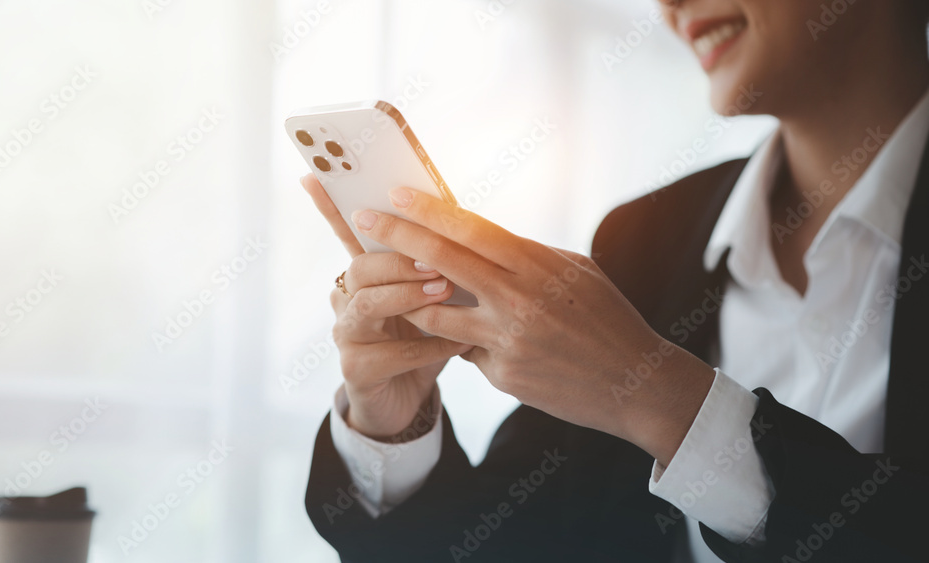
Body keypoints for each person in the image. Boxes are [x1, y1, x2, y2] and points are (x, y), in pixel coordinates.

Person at [300, 0, 929, 561]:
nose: (670, 3)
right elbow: (509, 540)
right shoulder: (647, 239)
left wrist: (655, 396)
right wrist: (395, 427)